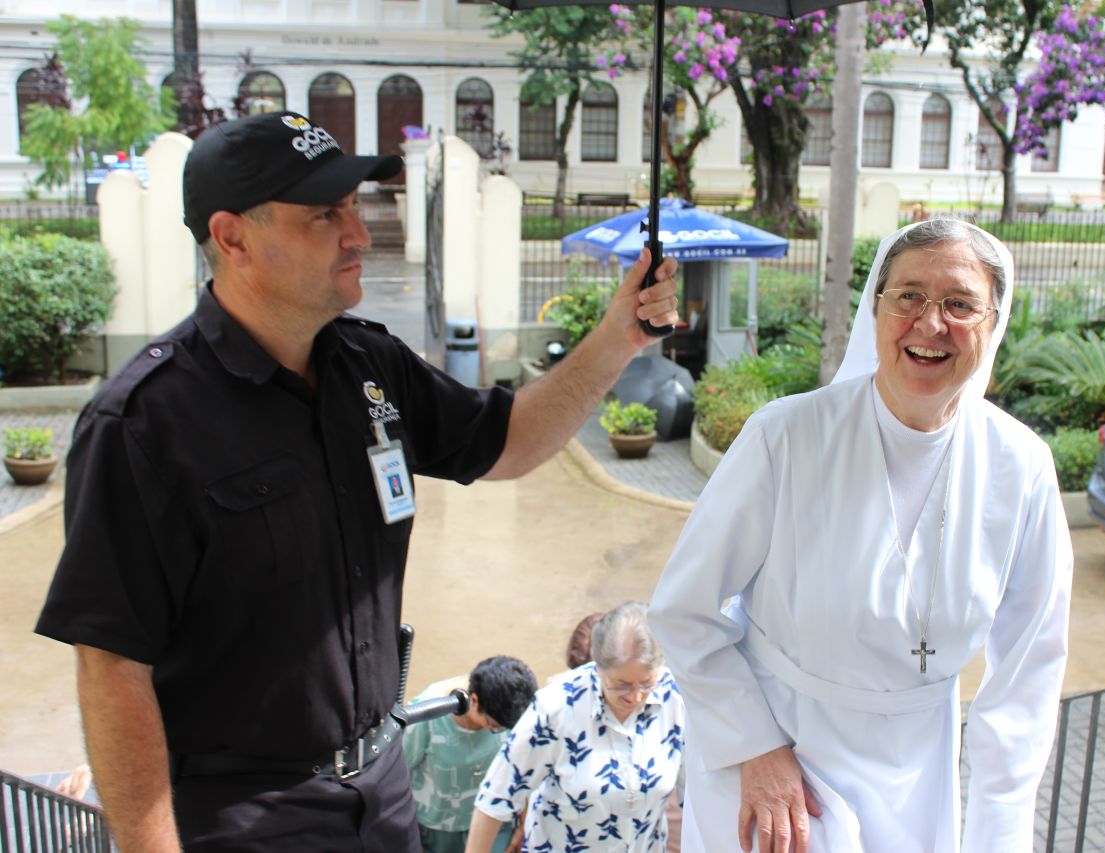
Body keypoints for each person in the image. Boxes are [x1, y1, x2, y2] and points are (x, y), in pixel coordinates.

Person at [33, 110, 678, 852]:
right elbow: (113, 666)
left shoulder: (370, 367)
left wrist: (619, 336)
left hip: (383, 793)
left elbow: (508, 442)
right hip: (249, 819)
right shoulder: (144, 423)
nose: (361, 233)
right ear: (232, 236)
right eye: (325, 215)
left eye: (355, 207)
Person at [648, 218, 1073, 852]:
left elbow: (1027, 680)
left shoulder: (1022, 465)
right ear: (876, 307)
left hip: (917, 777)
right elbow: (684, 611)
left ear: (994, 322)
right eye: (909, 296)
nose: (930, 325)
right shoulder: (786, 436)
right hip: (779, 765)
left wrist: (999, 834)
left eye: (960, 304)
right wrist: (756, 748)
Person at [465, 602, 686, 852]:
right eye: (622, 685)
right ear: (598, 668)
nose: (635, 697)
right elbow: (494, 799)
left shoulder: (675, 697)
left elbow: (696, 792)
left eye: (646, 683)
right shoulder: (556, 707)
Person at [403, 656, 537, 853]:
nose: (502, 732)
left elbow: (525, 766)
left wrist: (524, 823)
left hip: (496, 819)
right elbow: (396, 775)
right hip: (440, 829)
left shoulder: (514, 709)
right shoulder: (426, 715)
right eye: (494, 727)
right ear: (474, 701)